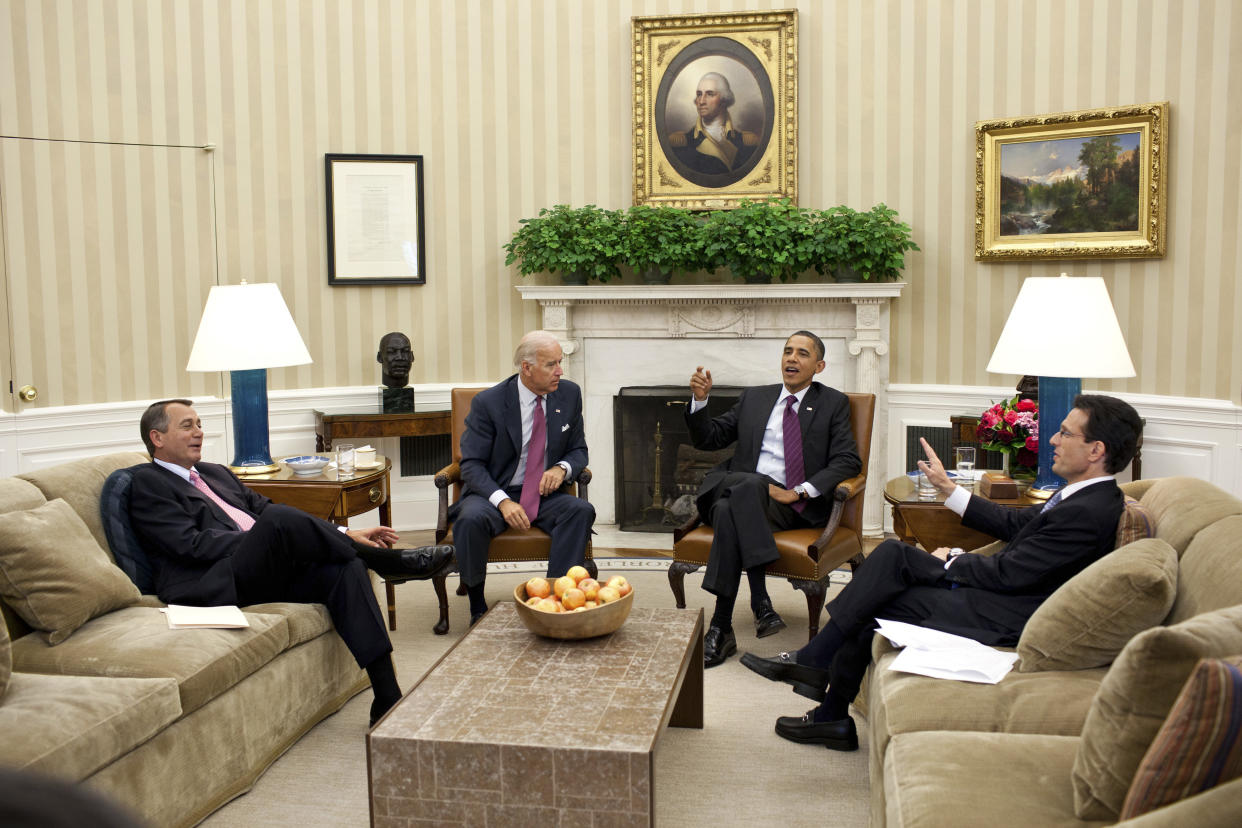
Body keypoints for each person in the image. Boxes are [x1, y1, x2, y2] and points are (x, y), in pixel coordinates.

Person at [742, 394, 1143, 751]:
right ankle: (826, 699)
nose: (1053, 440)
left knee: (889, 567)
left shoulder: (1089, 510)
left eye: (1065, 434)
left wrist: (951, 557)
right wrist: (950, 490)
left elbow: (1011, 573)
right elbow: (1017, 529)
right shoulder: (1082, 496)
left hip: (1006, 614)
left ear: (1095, 450)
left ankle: (820, 680)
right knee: (887, 571)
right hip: (1002, 600)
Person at [128, 399, 454, 727]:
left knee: (346, 568)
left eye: (199, 424)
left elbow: (263, 506)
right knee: (278, 521)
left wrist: (345, 533)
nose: (199, 432)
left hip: (259, 568)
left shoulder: (216, 473)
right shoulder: (147, 482)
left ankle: (387, 696)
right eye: (187, 426)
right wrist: (263, 540)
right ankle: (388, 563)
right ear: (157, 438)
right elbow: (190, 546)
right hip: (211, 581)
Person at [686, 331, 862, 668]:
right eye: (787, 351)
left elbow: (847, 461)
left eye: (802, 354)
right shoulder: (755, 398)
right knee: (748, 487)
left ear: (819, 365)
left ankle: (722, 627)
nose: (792, 358)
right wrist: (700, 402)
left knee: (728, 509)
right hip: (748, 492)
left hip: (788, 506)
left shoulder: (833, 403)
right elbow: (709, 439)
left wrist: (797, 491)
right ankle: (759, 604)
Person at [451, 330, 595, 624]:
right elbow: (472, 466)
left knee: (581, 510)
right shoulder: (488, 403)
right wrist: (503, 502)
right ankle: (477, 604)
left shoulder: (568, 395)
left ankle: (557, 596)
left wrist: (562, 468)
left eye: (560, 362)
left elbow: (579, 450)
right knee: (470, 519)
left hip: (543, 495)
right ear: (526, 368)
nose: (560, 371)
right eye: (551, 364)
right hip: (494, 493)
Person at [667, 72, 760, 176]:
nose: (701, 101)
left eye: (710, 94)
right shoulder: (679, 143)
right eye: (699, 94)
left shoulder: (747, 142)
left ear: (724, 100)